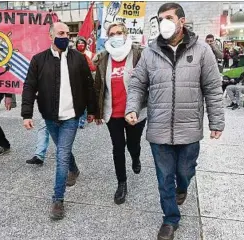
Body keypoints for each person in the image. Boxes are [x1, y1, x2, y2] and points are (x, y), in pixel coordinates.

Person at [124, 3, 225, 240]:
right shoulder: (150, 53)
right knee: (164, 177)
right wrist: (132, 108)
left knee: (185, 170)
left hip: (189, 129)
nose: (163, 23)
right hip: (159, 129)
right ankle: (170, 219)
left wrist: (216, 122)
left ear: (182, 21)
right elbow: (138, 84)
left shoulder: (202, 50)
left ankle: (184, 186)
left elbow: (212, 88)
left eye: (168, 17)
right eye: (160, 19)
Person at [21, 22, 96, 220]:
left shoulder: (78, 59)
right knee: (64, 150)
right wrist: (26, 114)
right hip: (50, 117)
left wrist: (92, 110)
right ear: (50, 36)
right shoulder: (38, 60)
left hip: (71, 117)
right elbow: (29, 86)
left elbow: (89, 85)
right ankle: (74, 169)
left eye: (67, 33)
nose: (65, 36)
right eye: (61, 33)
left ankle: (58, 199)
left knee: (61, 154)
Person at [93, 22, 146, 205]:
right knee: (117, 147)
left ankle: (136, 156)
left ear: (125, 34)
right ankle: (122, 183)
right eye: (112, 33)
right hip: (112, 112)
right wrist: (97, 111)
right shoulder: (103, 58)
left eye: (119, 32)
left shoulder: (138, 54)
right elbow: (98, 87)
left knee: (133, 143)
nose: (116, 36)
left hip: (135, 112)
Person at [75, 37, 96, 129]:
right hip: (75, 82)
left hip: (86, 81)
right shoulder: (71, 54)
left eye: (82, 43)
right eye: (78, 43)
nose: (80, 45)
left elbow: (93, 67)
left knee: (84, 100)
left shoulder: (90, 54)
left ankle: (82, 120)